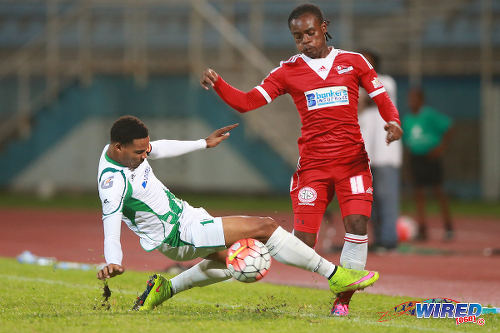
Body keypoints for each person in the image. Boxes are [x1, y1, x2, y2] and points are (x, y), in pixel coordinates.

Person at [200, 3, 402, 316]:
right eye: (298, 36)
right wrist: (220, 85)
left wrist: (393, 121)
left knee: (358, 224)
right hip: (313, 168)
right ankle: (239, 250)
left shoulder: (354, 61)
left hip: (352, 164)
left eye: (310, 32)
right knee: (303, 244)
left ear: (324, 27)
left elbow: (381, 97)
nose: (305, 40)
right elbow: (247, 102)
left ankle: (342, 303)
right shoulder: (287, 72)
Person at [96, 115, 379, 312]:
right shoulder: (112, 182)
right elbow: (110, 226)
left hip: (186, 216)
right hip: (176, 235)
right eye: (139, 153)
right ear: (118, 148)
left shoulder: (127, 150)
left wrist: (202, 143)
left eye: (146, 150)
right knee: (265, 227)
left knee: (237, 262)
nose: (145, 156)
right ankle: (334, 274)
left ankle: (164, 289)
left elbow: (159, 148)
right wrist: (113, 261)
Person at [358, 50, 402, 251]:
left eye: (366, 61)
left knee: (387, 197)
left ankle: (389, 239)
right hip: (365, 155)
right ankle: (377, 239)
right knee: (369, 199)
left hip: (386, 154)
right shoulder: (355, 88)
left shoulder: (386, 82)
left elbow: (373, 98)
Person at [402, 87, 454, 241]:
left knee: (438, 191)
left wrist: (441, 147)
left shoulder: (429, 115)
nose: (412, 102)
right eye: (410, 99)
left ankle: (448, 226)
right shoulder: (407, 119)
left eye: (415, 99)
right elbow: (408, 140)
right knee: (418, 193)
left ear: (421, 100)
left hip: (431, 157)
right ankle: (423, 229)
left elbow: (449, 127)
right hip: (416, 158)